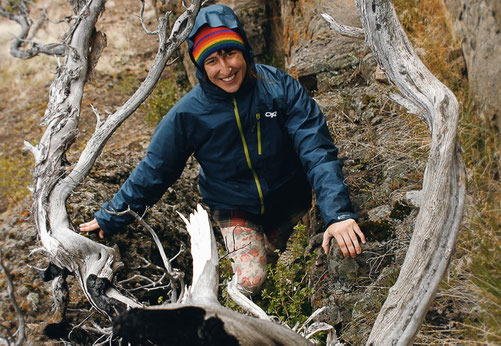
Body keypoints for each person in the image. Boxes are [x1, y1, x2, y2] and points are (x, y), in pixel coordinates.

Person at [80, 4, 365, 295]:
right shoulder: (189, 114)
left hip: (292, 200)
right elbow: (156, 169)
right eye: (212, 60)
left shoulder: (279, 88)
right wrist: (112, 216)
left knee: (293, 269)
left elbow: (317, 149)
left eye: (230, 53)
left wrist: (339, 214)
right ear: (200, 66)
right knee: (250, 282)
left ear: (244, 51)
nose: (225, 69)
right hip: (235, 208)